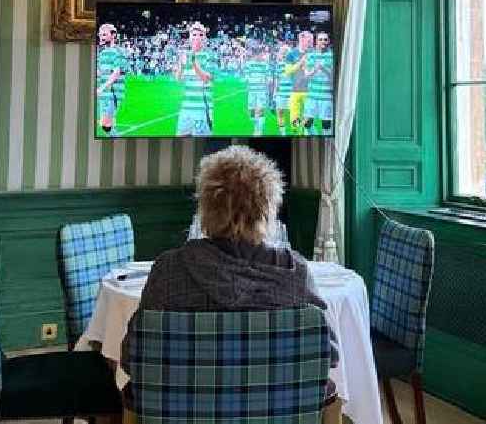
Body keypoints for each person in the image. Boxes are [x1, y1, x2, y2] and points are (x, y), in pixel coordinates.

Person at [120, 145, 338, 401]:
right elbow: (328, 356)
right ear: (267, 209)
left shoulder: (169, 270)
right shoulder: (294, 273)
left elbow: (132, 358)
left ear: (206, 207)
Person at [175, 22, 215, 136]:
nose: (197, 38)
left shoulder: (210, 56)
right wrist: (181, 65)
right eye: (194, 35)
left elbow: (206, 78)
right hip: (186, 109)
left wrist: (193, 62)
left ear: (205, 38)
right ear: (189, 38)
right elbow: (178, 78)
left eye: (201, 35)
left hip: (202, 110)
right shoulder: (185, 55)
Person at [96, 23, 127, 135]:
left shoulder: (119, 52)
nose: (101, 37)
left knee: (105, 124)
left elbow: (116, 72)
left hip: (113, 93)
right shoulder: (102, 53)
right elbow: (100, 72)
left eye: (104, 34)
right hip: (103, 94)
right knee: (105, 127)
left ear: (113, 35)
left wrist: (102, 88)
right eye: (100, 35)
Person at [284, 31, 314, 134]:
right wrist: (300, 63)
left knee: (309, 122)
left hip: (310, 92)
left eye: (311, 40)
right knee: (295, 124)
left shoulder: (313, 54)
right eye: (309, 40)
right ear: (301, 39)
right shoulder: (291, 54)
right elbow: (288, 72)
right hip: (295, 91)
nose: (311, 43)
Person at [305, 31, 334, 135]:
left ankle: (326, 143)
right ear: (316, 41)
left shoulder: (332, 56)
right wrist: (315, 69)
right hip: (312, 95)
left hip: (326, 96)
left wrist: (323, 68)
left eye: (325, 39)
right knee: (306, 123)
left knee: (326, 124)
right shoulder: (311, 56)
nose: (323, 41)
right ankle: (316, 135)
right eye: (320, 39)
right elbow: (306, 75)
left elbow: (334, 77)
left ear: (329, 41)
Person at [243, 42, 271, 136]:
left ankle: (258, 130)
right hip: (251, 91)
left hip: (261, 91)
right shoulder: (249, 64)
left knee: (260, 109)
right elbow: (246, 76)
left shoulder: (265, 65)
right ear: (256, 54)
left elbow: (269, 77)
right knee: (252, 111)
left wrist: (267, 80)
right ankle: (256, 125)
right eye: (260, 54)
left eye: (262, 54)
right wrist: (248, 79)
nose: (261, 56)